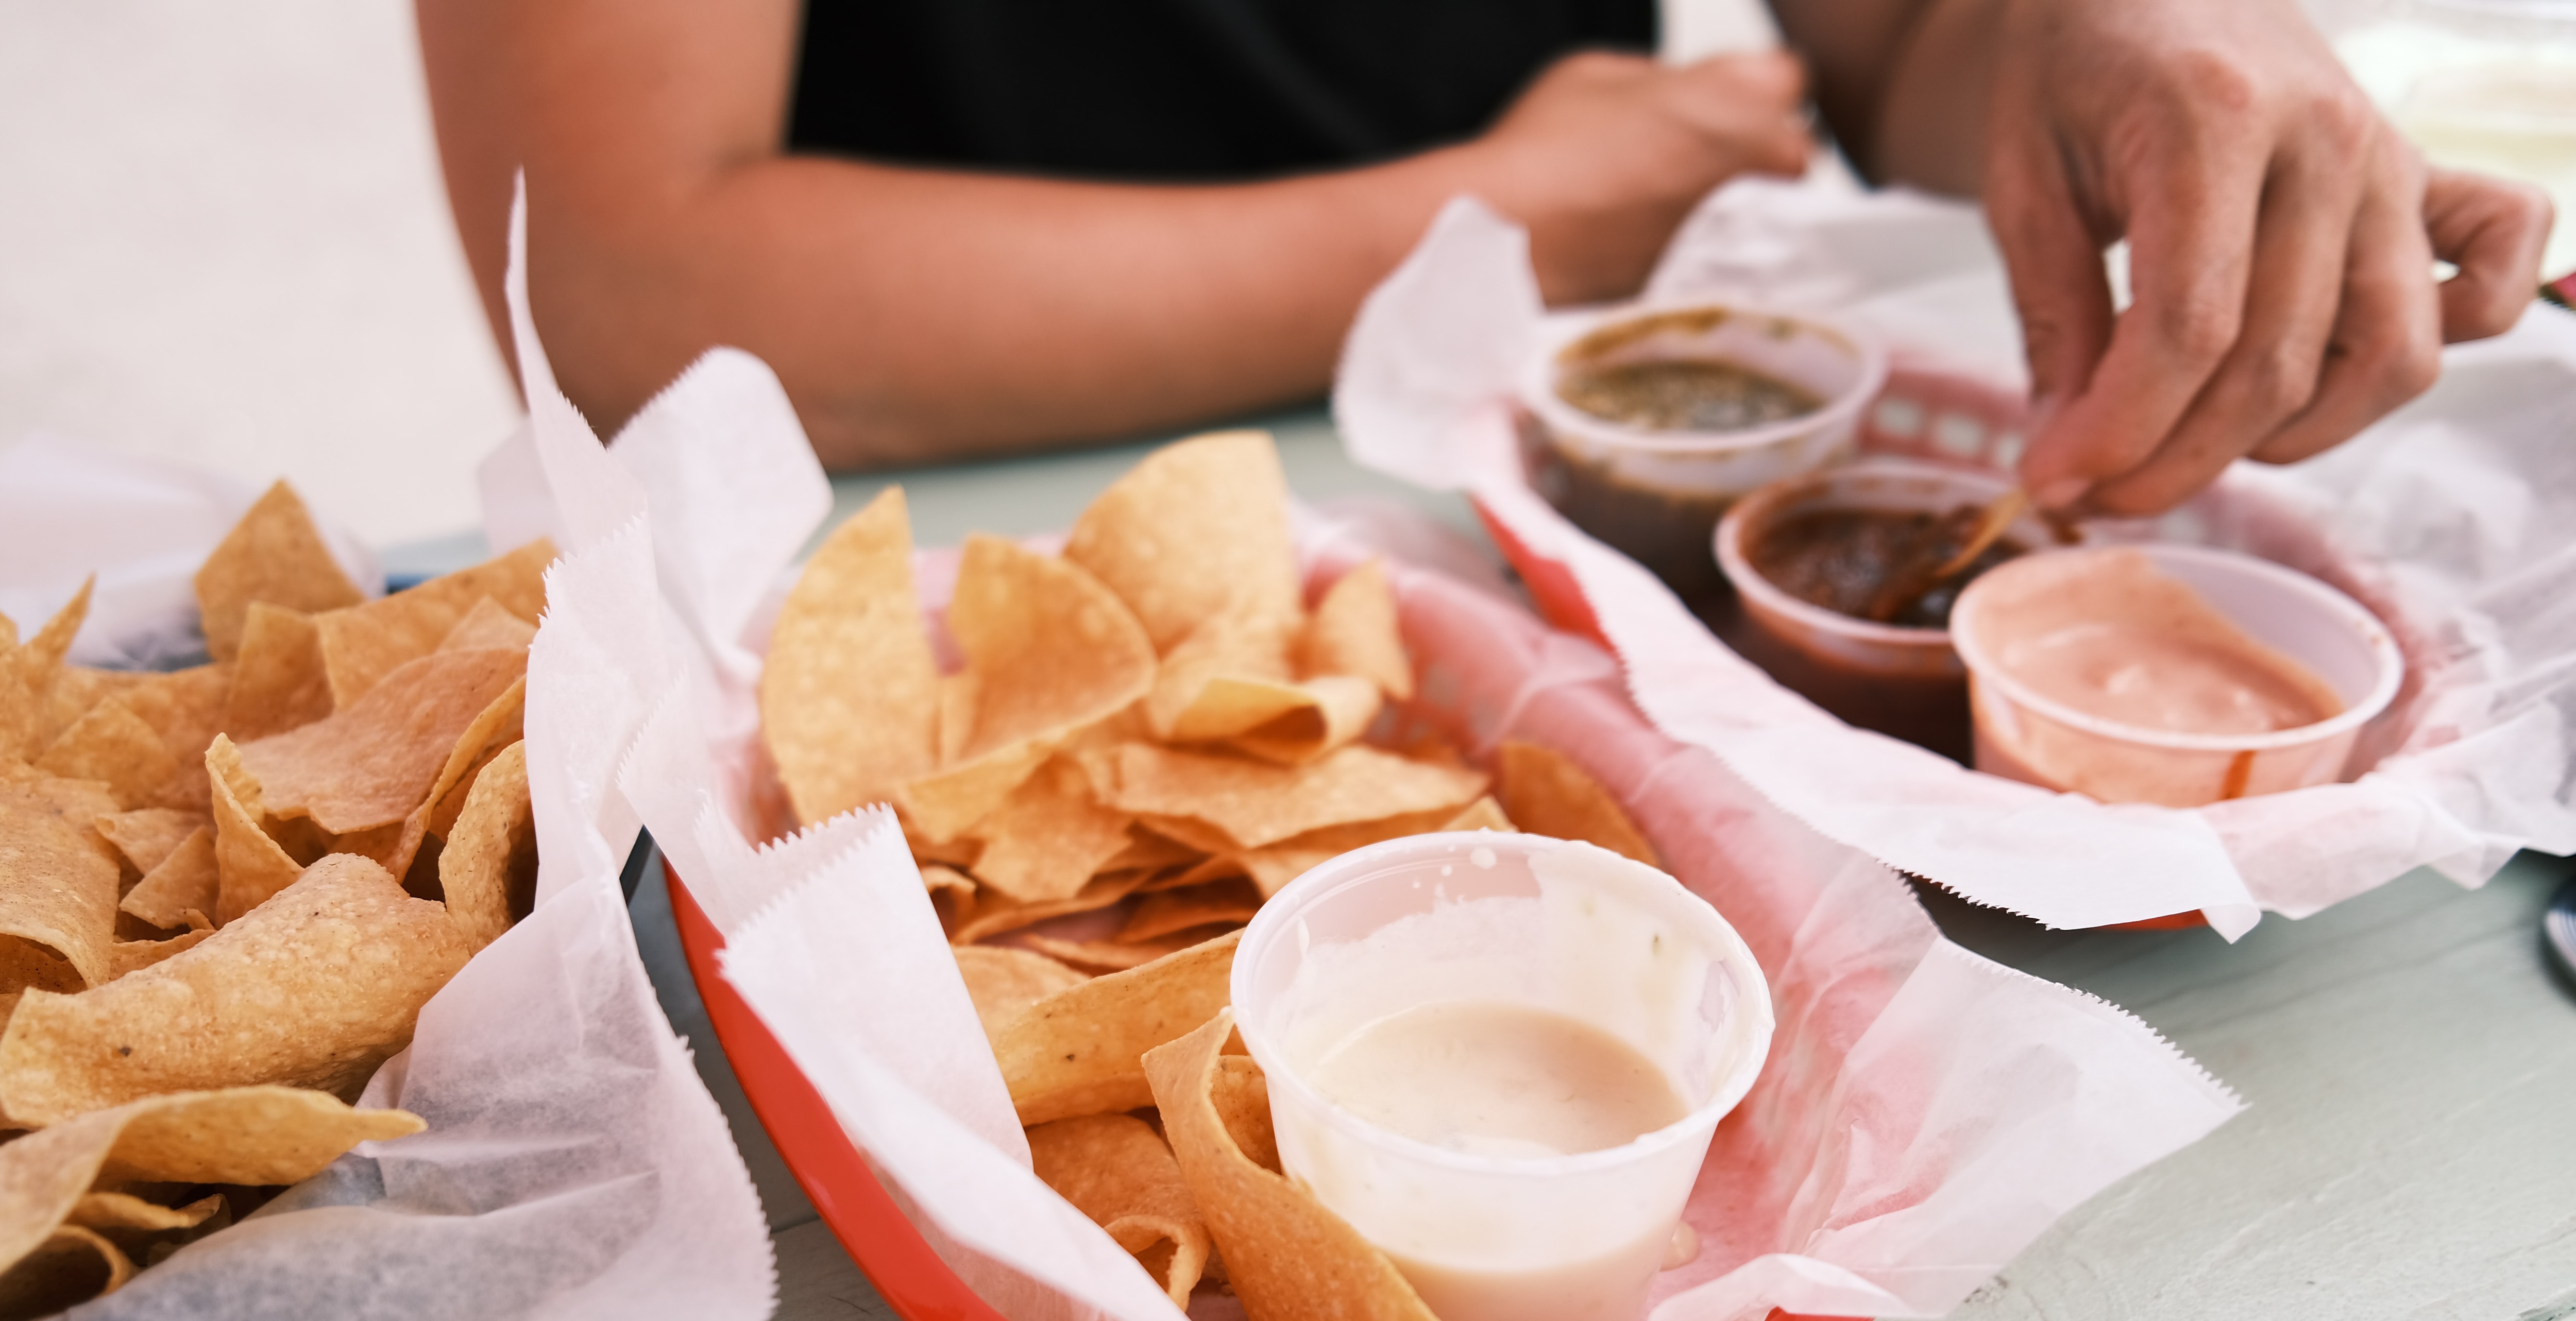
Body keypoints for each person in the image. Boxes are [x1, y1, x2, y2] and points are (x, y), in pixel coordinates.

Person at [418, 0, 2553, 519]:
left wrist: (2102, 32)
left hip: (1543, 514)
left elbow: (1899, 41)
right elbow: (623, 291)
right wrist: (1490, 227)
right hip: (899, 544)